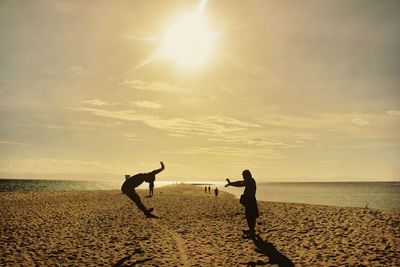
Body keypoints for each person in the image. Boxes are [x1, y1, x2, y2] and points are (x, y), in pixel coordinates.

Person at [225, 169, 259, 238]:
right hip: (250, 201)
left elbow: (240, 184)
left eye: (243, 175)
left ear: (247, 175)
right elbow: (240, 182)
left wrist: (231, 184)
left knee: (250, 217)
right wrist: (231, 183)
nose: (242, 176)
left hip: (250, 202)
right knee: (250, 217)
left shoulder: (250, 181)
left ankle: (252, 232)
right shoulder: (250, 180)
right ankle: (251, 230)